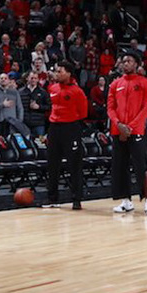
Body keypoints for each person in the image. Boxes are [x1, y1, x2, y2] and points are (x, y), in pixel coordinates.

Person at [107, 49, 147, 217]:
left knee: (141, 166)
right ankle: (126, 200)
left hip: (136, 131)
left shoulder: (145, 83)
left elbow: (146, 108)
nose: (125, 63)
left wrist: (130, 127)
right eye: (123, 61)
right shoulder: (115, 84)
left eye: (128, 61)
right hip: (118, 130)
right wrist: (118, 124)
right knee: (120, 167)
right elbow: (110, 107)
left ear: (136, 63)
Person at [42, 61, 89, 210]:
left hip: (71, 127)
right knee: (52, 164)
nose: (57, 74)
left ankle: (76, 199)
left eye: (60, 71)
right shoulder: (52, 88)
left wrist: (70, 119)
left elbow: (83, 113)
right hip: (54, 128)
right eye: (56, 71)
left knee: (74, 164)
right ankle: (52, 199)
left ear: (68, 73)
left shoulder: (77, 91)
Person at [20, 72, 50, 137]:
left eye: (35, 78)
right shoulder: (20, 92)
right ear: (27, 78)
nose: (33, 80)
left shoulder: (43, 92)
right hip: (25, 124)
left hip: (39, 124)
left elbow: (49, 106)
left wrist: (39, 107)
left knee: (40, 144)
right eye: (31, 78)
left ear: (38, 80)